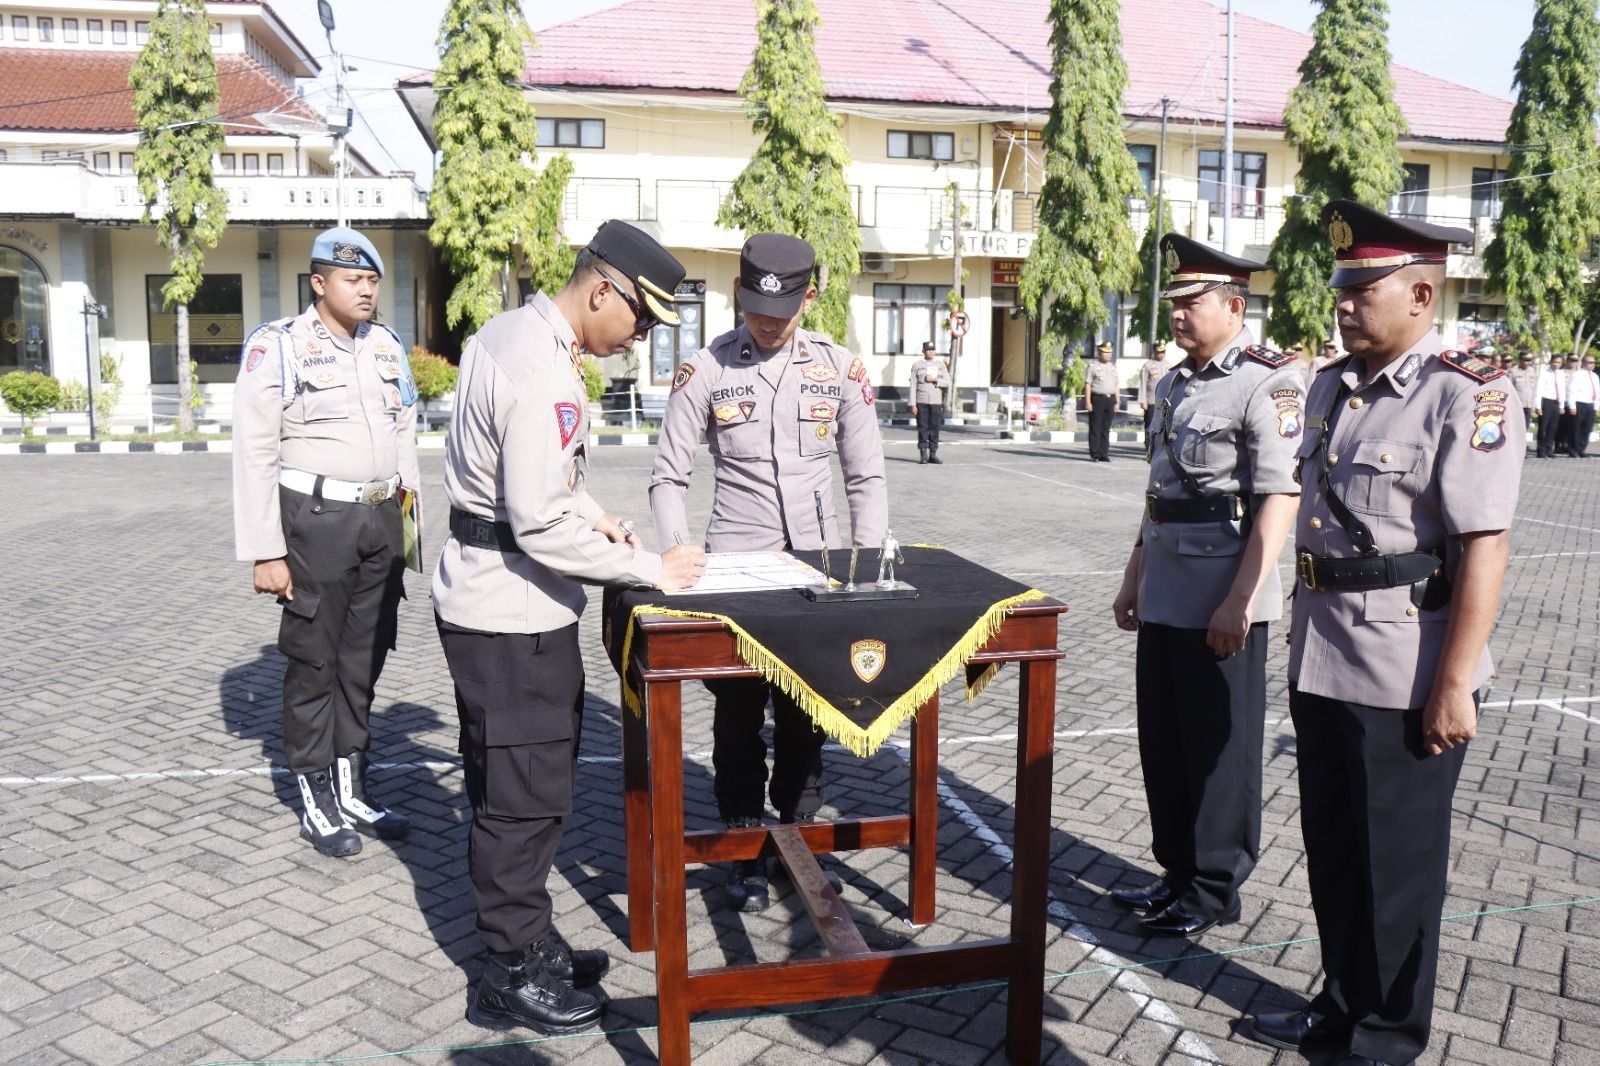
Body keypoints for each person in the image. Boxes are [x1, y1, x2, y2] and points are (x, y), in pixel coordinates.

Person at [1245, 200, 1524, 1066]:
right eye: (1342, 286)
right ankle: (1341, 1001)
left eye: (1364, 289)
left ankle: (1387, 1034)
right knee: (1333, 851)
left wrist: (1455, 679)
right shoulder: (1332, 385)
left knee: (1396, 868)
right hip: (1325, 654)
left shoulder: (1467, 390)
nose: (1344, 302)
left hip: (1408, 668)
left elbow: (1484, 546)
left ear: (1421, 294)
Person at [433, 220, 707, 1035]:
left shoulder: (517, 333)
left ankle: (527, 935)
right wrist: (648, 568)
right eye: (643, 320)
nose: (642, 338)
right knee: (522, 799)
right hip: (511, 613)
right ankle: (507, 972)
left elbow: (553, 487)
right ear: (600, 292)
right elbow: (536, 521)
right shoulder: (542, 367)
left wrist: (601, 518)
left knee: (524, 787)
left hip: (506, 604)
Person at [650, 233, 888, 912]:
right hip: (736, 566)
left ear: (810, 297)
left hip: (816, 569)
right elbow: (669, 476)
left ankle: (796, 832)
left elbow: (865, 475)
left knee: (806, 710)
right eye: (756, 308)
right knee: (736, 711)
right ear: (738, 295)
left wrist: (863, 567)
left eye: (782, 312)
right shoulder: (708, 369)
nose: (768, 322)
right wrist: (677, 556)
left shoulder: (840, 369)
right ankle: (744, 842)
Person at [1109, 234, 1303, 938]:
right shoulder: (1172, 382)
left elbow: (1279, 498)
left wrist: (1241, 600)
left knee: (1220, 750)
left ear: (1235, 305)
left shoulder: (1269, 381)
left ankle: (1215, 887)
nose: (1180, 315)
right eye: (1176, 303)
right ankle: (1178, 873)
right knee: (1166, 742)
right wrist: (1134, 573)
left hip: (1224, 594)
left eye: (1194, 303)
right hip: (1166, 586)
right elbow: (1157, 490)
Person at [233, 226, 418, 858]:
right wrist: (265, 550)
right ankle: (315, 798)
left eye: (372, 281)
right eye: (353, 280)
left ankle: (353, 785)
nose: (366, 290)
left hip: (379, 519)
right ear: (319, 283)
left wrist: (410, 531)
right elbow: (254, 451)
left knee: (364, 659)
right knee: (315, 662)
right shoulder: (279, 347)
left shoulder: (386, 345)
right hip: (314, 520)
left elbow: (405, 437)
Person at [908, 340, 952, 464]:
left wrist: (935, 380)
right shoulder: (917, 366)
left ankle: (933, 454)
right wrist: (912, 404)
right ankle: (923, 454)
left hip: (936, 402)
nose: (930, 352)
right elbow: (913, 386)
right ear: (923, 351)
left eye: (932, 350)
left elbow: (948, 383)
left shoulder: (940, 365)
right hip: (921, 401)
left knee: (935, 428)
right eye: (928, 350)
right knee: (922, 428)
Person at [1084, 341, 1120, 462]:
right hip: (1097, 399)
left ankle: (1104, 453)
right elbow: (1088, 385)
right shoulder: (1093, 367)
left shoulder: (1113, 367)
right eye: (1105, 352)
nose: (1108, 355)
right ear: (1099, 353)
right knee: (1096, 426)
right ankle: (1095, 453)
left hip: (1110, 399)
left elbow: (1116, 386)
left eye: (1110, 352)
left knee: (1106, 428)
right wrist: (1088, 401)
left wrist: (1118, 401)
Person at [1138, 341, 1171, 441]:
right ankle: (1149, 451)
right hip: (1152, 401)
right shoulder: (1147, 365)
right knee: (1150, 426)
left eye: (1163, 352)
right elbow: (1143, 384)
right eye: (1159, 352)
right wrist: (1143, 401)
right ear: (1154, 351)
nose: (1161, 354)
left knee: (1164, 427)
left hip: (1165, 402)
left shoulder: (1169, 365)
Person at [1535, 355, 1566, 458]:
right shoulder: (1544, 373)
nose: (1556, 364)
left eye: (1559, 362)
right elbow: (1538, 390)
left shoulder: (1561, 374)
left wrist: (1561, 405)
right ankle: (1540, 450)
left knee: (1552, 428)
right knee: (1543, 427)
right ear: (1550, 362)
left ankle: (1549, 449)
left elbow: (1562, 390)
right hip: (1546, 401)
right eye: (1554, 362)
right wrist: (1538, 406)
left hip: (1556, 402)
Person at [1568, 353, 1598, 457]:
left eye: (1593, 363)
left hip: (1590, 404)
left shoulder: (1594, 376)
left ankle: (1581, 449)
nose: (1592, 365)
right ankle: (1573, 450)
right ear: (1584, 363)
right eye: (1589, 362)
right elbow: (1571, 390)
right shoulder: (1577, 374)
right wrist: (1572, 405)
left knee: (1587, 428)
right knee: (1576, 428)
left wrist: (1596, 406)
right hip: (1579, 403)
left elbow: (1597, 392)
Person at [1507, 352, 1538, 445]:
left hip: (1528, 405)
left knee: (1525, 427)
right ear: (1520, 360)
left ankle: (1522, 446)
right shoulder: (1513, 371)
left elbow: (1534, 389)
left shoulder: (1532, 371)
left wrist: (1534, 404)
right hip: (1517, 405)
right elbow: (1509, 389)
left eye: (1530, 360)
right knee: (1516, 427)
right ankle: (1514, 446)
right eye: (1526, 360)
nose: (1528, 362)